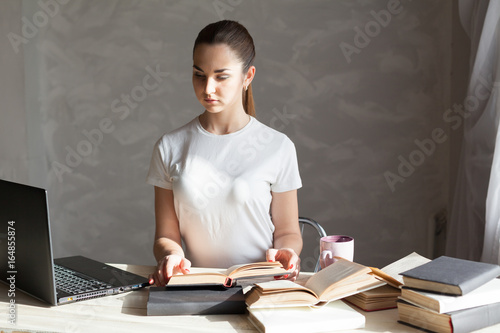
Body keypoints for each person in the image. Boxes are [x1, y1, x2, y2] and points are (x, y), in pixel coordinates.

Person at [147, 20, 302, 286]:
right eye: (199, 74)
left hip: (261, 286)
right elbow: (166, 235)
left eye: (221, 76)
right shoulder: (169, 146)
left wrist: (288, 252)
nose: (208, 88)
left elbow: (288, 231)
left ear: (248, 76)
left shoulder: (278, 147)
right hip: (196, 286)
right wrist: (171, 255)